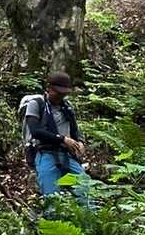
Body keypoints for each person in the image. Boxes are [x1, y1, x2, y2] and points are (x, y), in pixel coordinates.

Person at [21, 72, 92, 207]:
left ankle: (89, 219)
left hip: (68, 156)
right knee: (52, 199)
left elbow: (75, 130)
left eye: (64, 94)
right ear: (49, 88)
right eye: (58, 93)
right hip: (45, 153)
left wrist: (80, 143)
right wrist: (62, 139)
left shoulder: (67, 107)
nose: (61, 96)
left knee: (85, 193)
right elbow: (35, 131)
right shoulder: (36, 104)